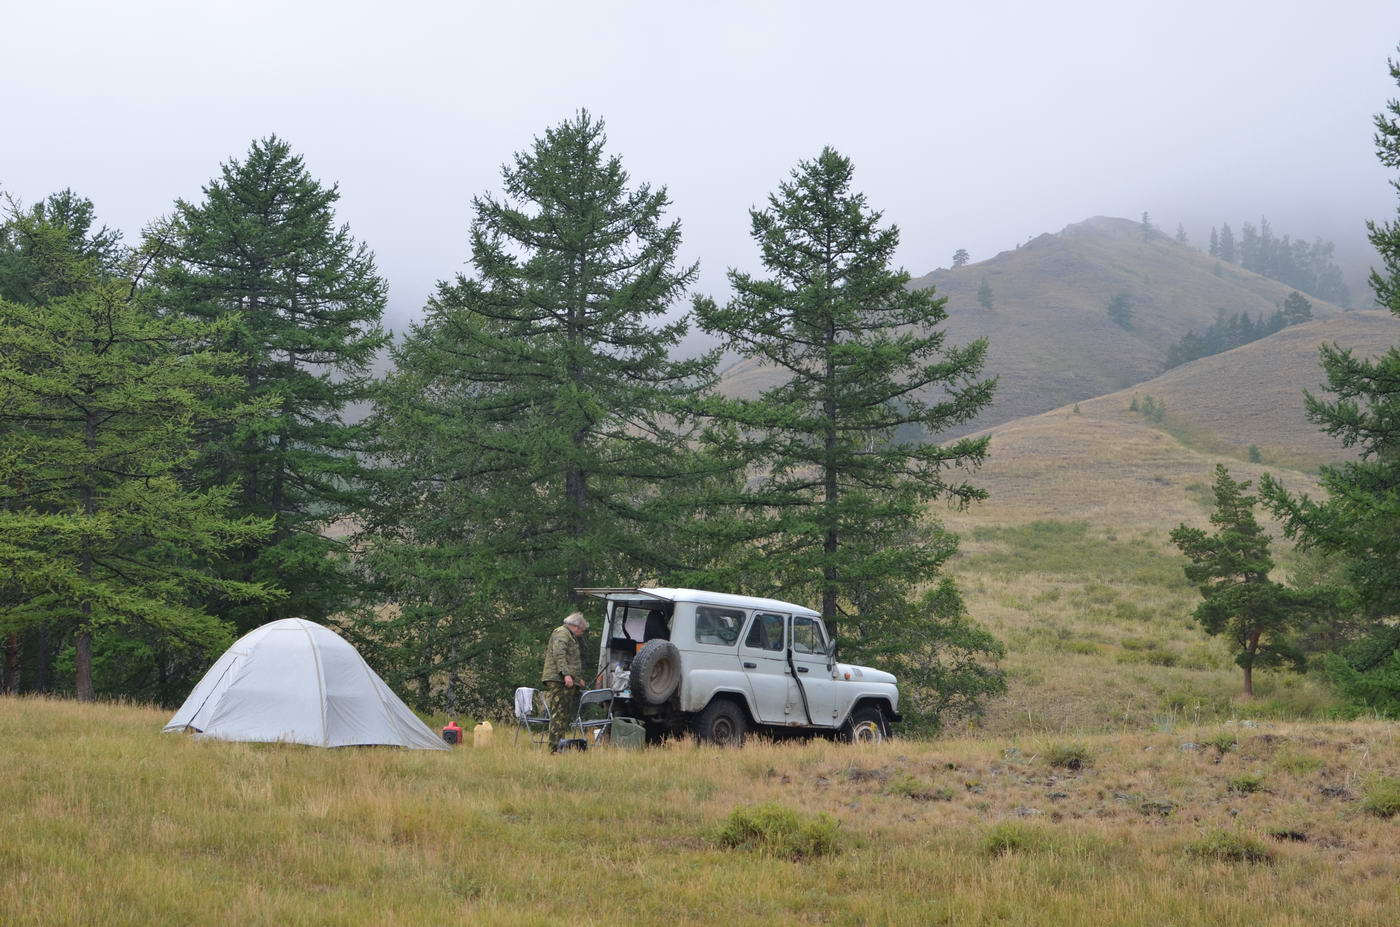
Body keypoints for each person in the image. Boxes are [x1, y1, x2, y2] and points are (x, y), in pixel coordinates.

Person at [540, 611, 588, 750]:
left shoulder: (567, 635)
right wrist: (566, 675)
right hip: (558, 679)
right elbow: (559, 655)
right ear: (576, 626)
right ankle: (554, 747)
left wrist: (578, 679)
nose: (581, 633)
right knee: (559, 713)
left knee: (563, 714)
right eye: (582, 630)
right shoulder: (562, 633)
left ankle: (559, 745)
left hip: (564, 679)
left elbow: (570, 660)